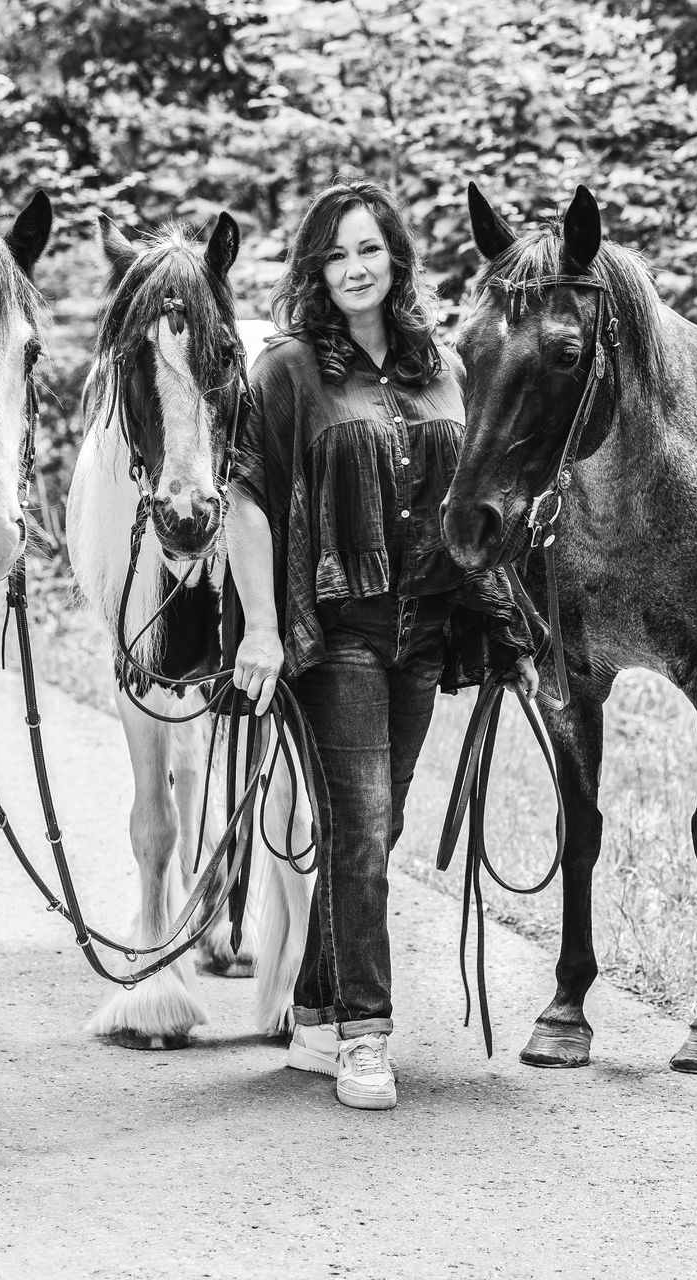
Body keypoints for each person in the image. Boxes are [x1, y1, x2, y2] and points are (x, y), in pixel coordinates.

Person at [226, 169, 537, 1111]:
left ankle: (318, 1009)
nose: (353, 267)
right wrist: (266, 631)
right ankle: (367, 1034)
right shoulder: (286, 370)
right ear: (314, 269)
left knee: (379, 828)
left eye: (369, 249)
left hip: (427, 627)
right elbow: (244, 499)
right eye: (335, 253)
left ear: (396, 259)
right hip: (343, 630)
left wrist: (507, 623)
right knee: (361, 832)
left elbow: (477, 490)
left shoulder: (439, 365)